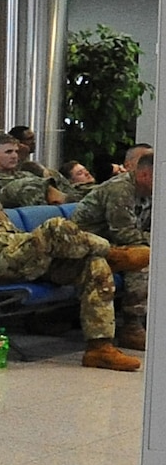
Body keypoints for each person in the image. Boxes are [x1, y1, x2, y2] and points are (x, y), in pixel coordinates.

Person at [0, 143, 140, 371]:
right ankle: (115, 253)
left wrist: (25, 241)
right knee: (55, 228)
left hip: (20, 260)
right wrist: (24, 241)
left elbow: (9, 235)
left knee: (93, 264)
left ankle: (99, 348)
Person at [72, 150, 151, 351]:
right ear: (144, 175)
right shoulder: (121, 189)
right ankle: (132, 326)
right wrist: (156, 242)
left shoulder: (149, 190)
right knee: (141, 261)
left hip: (111, 246)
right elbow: (124, 234)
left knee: (145, 254)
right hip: (85, 248)